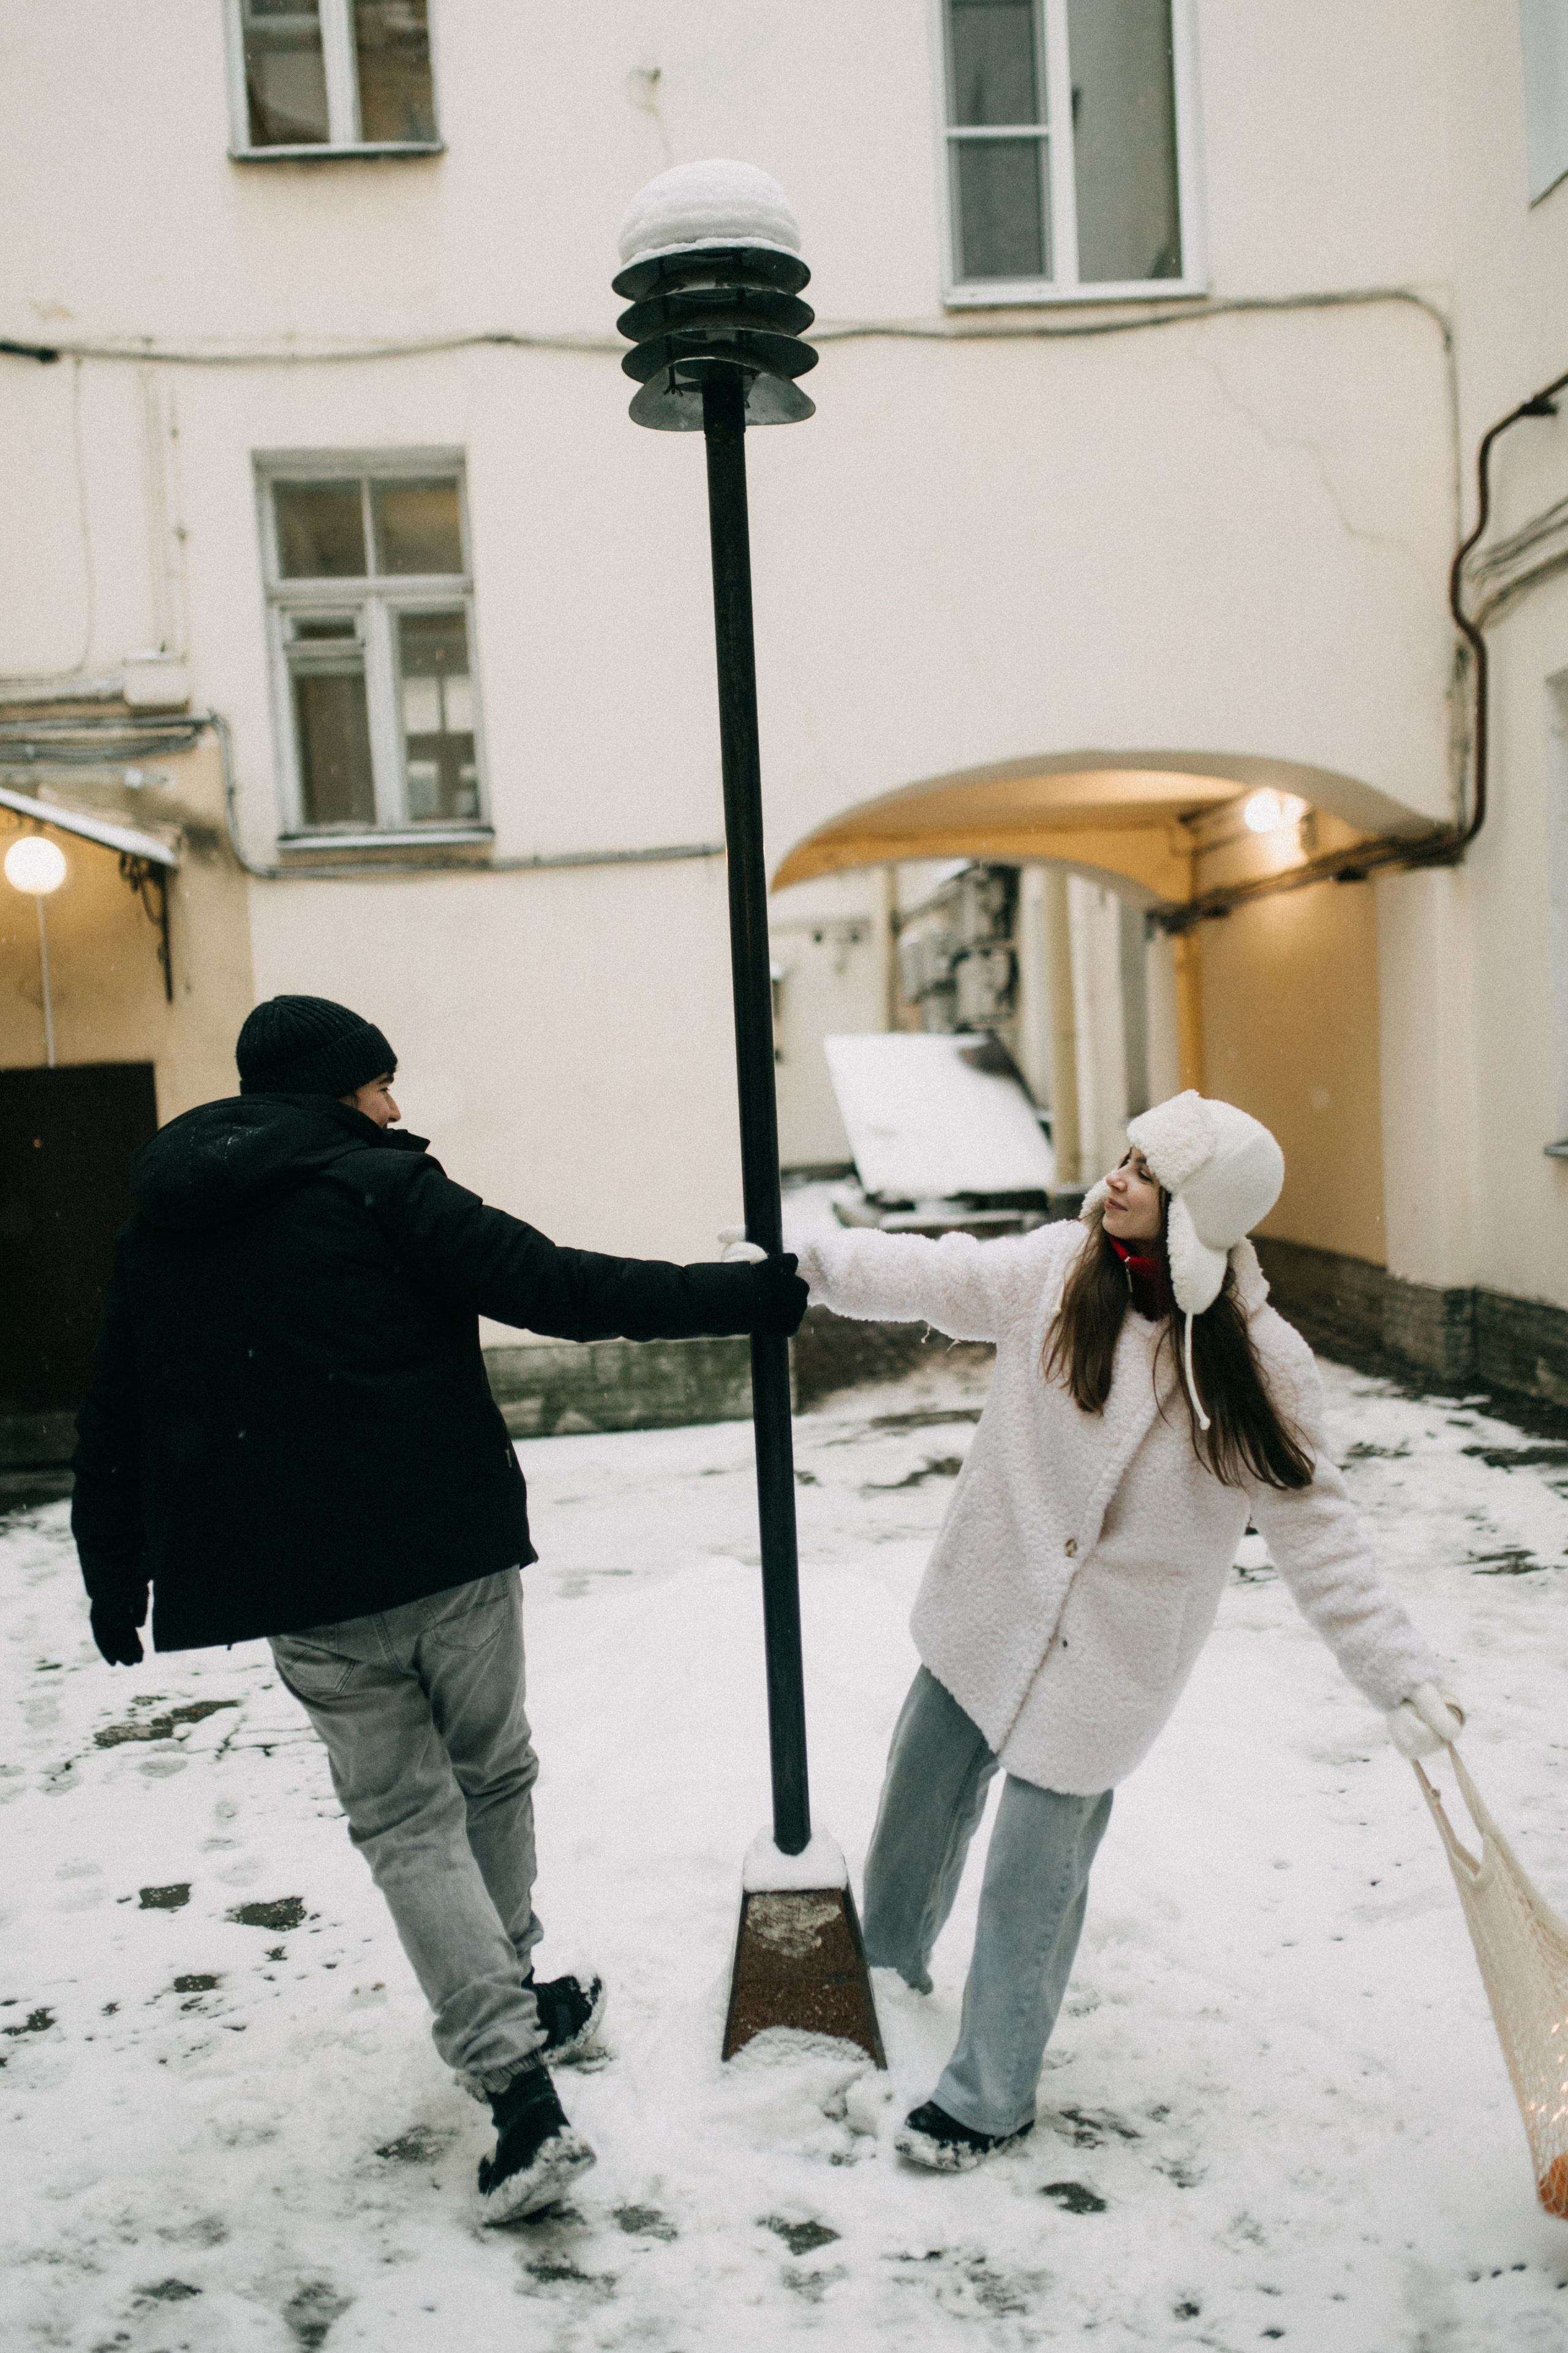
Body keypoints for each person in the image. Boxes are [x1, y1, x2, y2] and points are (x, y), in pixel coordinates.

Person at [70, 993, 809, 2222]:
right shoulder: (378, 1187)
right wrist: (738, 1300)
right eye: (378, 1084)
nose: (395, 1106)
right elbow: (555, 1286)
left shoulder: (159, 1230)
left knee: (406, 1822)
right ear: (329, 1091)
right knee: (489, 1776)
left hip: (301, 1592)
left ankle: (513, 2063)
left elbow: (117, 1415)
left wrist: (113, 1568)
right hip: (444, 1552)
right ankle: (514, 2038)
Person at [794, 1090, 1463, 2172]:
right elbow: (940, 1271)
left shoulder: (1259, 1361)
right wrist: (807, 1269)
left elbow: (1319, 1527)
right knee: (918, 1788)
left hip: (1107, 1655)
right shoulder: (1063, 1272)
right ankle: (882, 1971)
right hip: (991, 1595)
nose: (1117, 1180)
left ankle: (988, 2093)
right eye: (1126, 1157)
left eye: (1148, 1173)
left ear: (1196, 1209)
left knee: (1031, 1875)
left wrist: (1398, 1676)